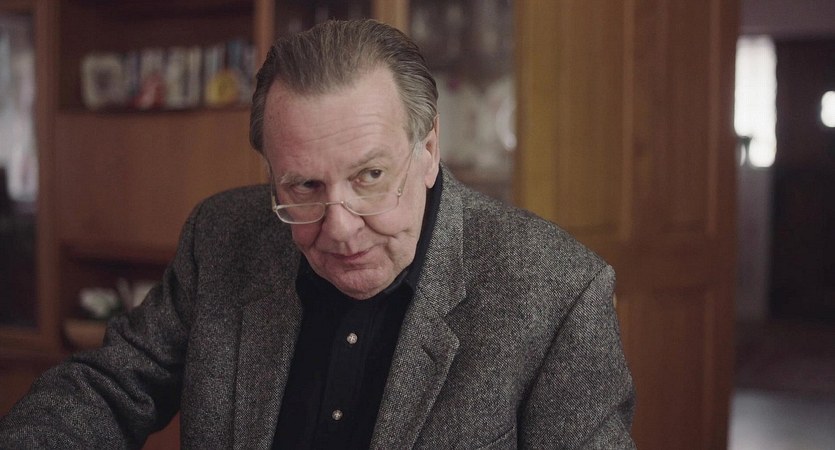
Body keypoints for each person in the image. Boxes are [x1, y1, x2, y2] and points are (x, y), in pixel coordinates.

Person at [0, 19, 635, 449]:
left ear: (428, 149)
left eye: (370, 176)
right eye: (303, 186)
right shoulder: (222, 234)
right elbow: (109, 388)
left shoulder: (556, 292)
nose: (339, 229)